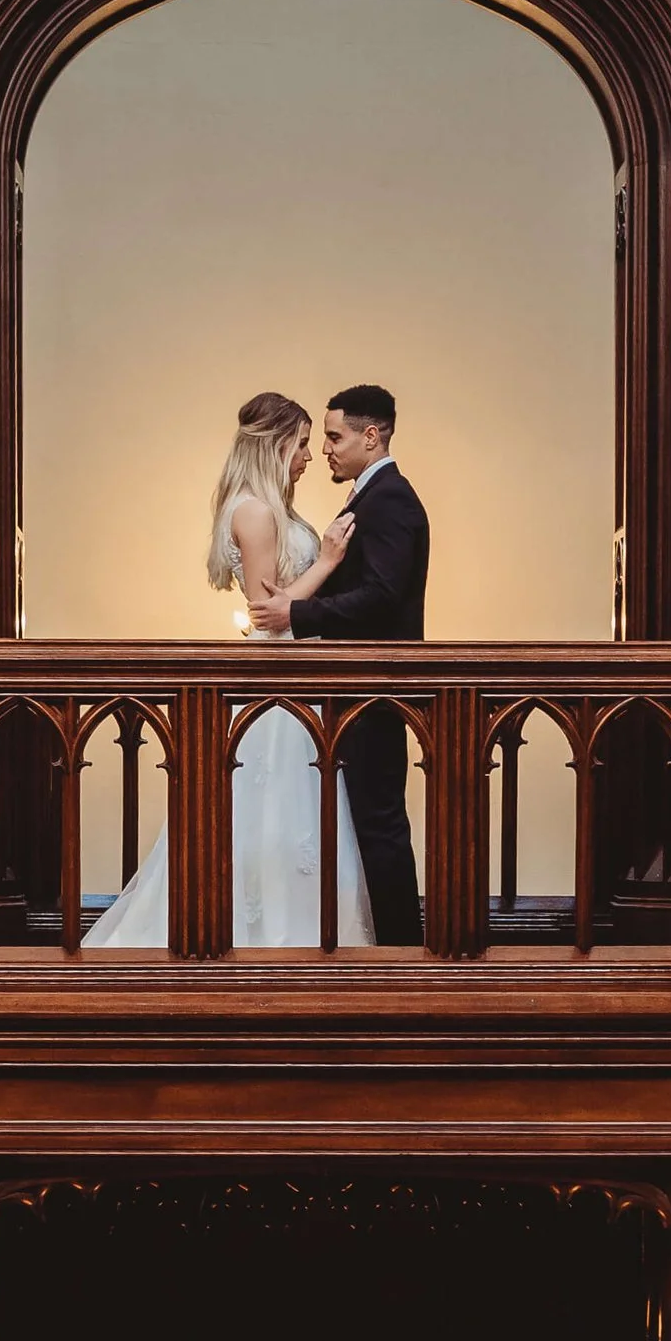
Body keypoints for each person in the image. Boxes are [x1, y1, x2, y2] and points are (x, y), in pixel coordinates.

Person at [81, 392, 373, 948]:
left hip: (298, 676)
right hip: (276, 681)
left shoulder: (269, 507)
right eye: (303, 444)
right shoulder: (255, 511)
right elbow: (272, 612)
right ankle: (268, 938)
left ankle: (297, 933)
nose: (309, 457)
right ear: (276, 442)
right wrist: (331, 561)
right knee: (272, 814)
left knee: (290, 817)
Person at [249, 384, 428, 946]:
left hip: (375, 687)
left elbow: (381, 593)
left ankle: (401, 951)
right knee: (369, 822)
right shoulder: (368, 496)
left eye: (334, 436)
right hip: (356, 686)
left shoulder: (391, 498)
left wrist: (298, 614)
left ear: (370, 436)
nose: (325, 449)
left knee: (379, 823)